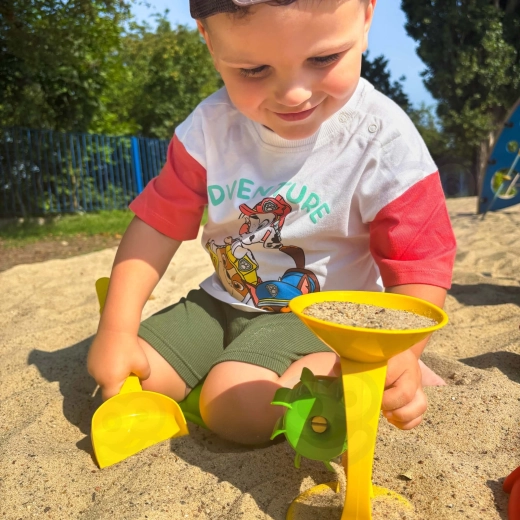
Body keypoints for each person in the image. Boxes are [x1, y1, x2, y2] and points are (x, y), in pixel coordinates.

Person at [87, 0, 457, 446]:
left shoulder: (380, 136)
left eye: (323, 58)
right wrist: (117, 328)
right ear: (209, 41)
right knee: (137, 374)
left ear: (365, 18)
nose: (294, 94)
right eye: (253, 69)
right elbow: (157, 224)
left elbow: (419, 257)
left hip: (324, 316)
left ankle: (351, 371)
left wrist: (400, 353)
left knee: (235, 405)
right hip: (222, 300)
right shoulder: (208, 128)